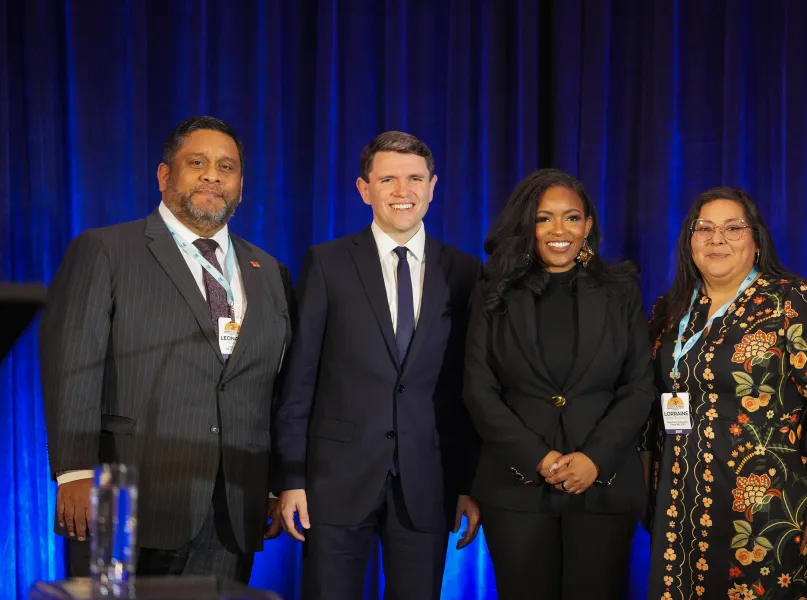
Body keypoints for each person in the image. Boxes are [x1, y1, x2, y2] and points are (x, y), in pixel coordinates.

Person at [39, 116, 292, 583]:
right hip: (132, 501)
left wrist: (275, 484)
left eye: (226, 167)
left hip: (233, 505)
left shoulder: (270, 271)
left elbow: (275, 388)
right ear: (164, 175)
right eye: (197, 163)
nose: (212, 176)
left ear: (241, 184)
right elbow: (72, 365)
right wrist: (73, 472)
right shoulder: (106, 250)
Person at [274, 131, 482, 600]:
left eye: (414, 179)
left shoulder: (466, 272)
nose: (402, 191)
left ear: (433, 186)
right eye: (387, 179)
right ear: (364, 189)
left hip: (428, 480)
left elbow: (468, 388)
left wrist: (469, 483)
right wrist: (290, 478)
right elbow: (299, 378)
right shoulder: (327, 263)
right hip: (334, 480)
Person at [642, 187, 807, 599]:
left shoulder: (795, 303)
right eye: (704, 228)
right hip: (682, 502)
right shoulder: (669, 311)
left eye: (732, 228)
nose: (716, 239)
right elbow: (648, 405)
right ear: (689, 241)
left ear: (756, 240)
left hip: (772, 503)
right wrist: (649, 494)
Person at [463, 168, 655, 599]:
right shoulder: (494, 292)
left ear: (587, 226)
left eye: (571, 217)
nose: (559, 230)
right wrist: (540, 458)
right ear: (526, 225)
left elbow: (639, 386)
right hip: (516, 489)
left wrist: (594, 459)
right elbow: (479, 390)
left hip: (602, 486)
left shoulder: (620, 290)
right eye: (544, 218)